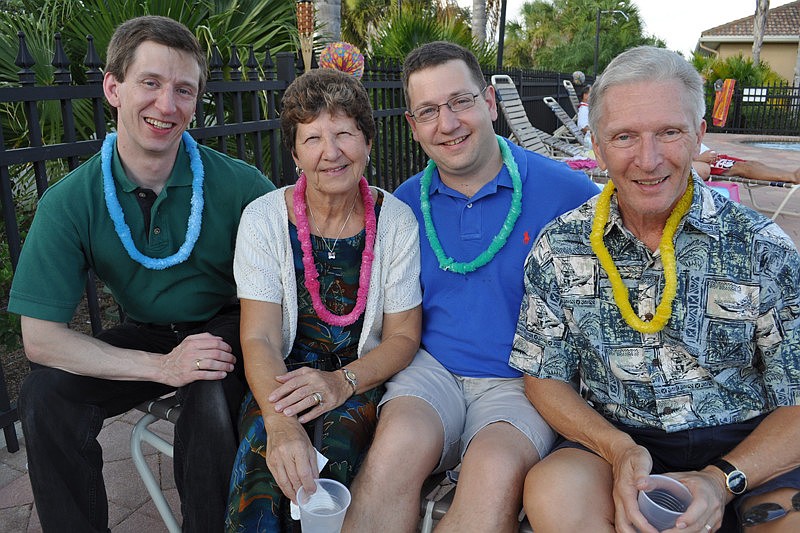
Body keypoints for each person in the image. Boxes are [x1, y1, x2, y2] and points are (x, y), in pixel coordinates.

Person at [511, 45, 800, 533]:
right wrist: (618, 449)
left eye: (669, 132)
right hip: (615, 441)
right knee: (553, 491)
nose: (649, 159)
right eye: (625, 136)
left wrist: (721, 479)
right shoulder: (560, 245)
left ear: (699, 137)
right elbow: (543, 376)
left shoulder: (763, 247)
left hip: (745, 449)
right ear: (598, 148)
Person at [7, 16, 275, 532]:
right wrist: (161, 367)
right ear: (113, 87)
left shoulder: (242, 187)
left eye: (183, 90)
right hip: (148, 333)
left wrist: (193, 363)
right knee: (43, 398)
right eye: (150, 83)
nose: (167, 105)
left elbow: (288, 287)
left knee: (209, 387)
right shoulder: (69, 202)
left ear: (196, 102)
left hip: (227, 325)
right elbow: (40, 341)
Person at [344, 41, 599, 532]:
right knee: (393, 451)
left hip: (524, 383)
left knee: (494, 471)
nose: (448, 123)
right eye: (429, 111)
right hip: (430, 371)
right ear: (412, 125)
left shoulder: (568, 193)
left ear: (489, 102)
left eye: (460, 101)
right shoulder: (400, 207)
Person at [224, 67, 422, 532]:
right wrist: (279, 420)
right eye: (312, 138)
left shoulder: (396, 222)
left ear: (367, 142)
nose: (330, 153)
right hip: (282, 372)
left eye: (344, 134)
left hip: (360, 372)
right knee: (265, 448)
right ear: (294, 152)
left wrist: (342, 382)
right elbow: (258, 335)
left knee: (337, 455)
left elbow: (403, 336)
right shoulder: (263, 219)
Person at [693, 144, 800, 184]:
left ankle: (790, 176)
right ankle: (792, 177)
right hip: (705, 161)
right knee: (743, 168)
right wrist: (699, 158)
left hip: (711, 156)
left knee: (751, 164)